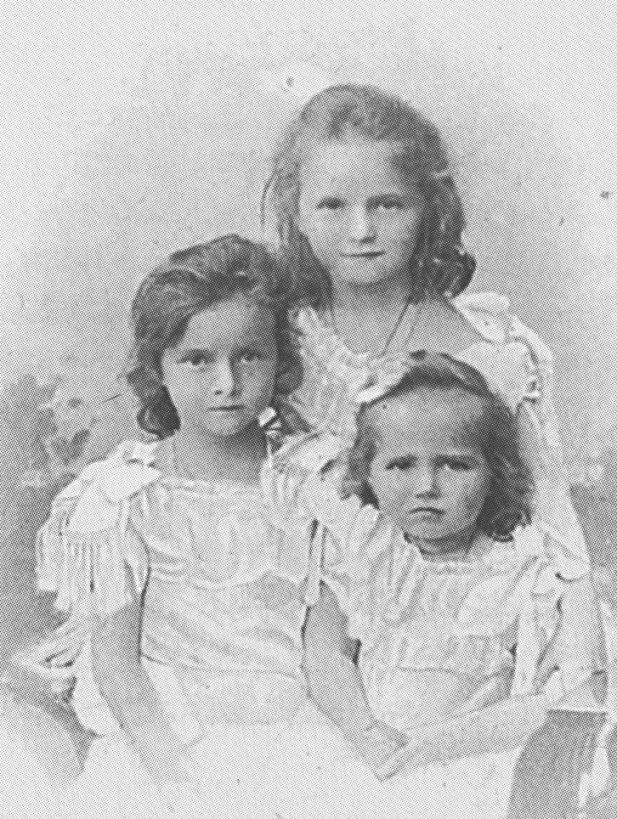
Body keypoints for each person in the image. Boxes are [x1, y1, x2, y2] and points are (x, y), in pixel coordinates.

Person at [21, 235, 389, 818]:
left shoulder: (313, 487)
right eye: (198, 360)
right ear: (158, 369)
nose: (226, 383)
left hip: (290, 738)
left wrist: (367, 737)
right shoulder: (125, 495)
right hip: (165, 744)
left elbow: (325, 653)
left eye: (249, 357)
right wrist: (180, 784)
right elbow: (117, 666)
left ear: (281, 361)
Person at [292, 352, 607, 818]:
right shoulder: (361, 554)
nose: (427, 485)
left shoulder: (517, 571)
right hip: (367, 754)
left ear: (495, 473)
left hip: (475, 771)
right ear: (368, 474)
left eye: (455, 465)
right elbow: (325, 655)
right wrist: (365, 732)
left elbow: (542, 701)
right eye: (401, 465)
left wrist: (430, 747)